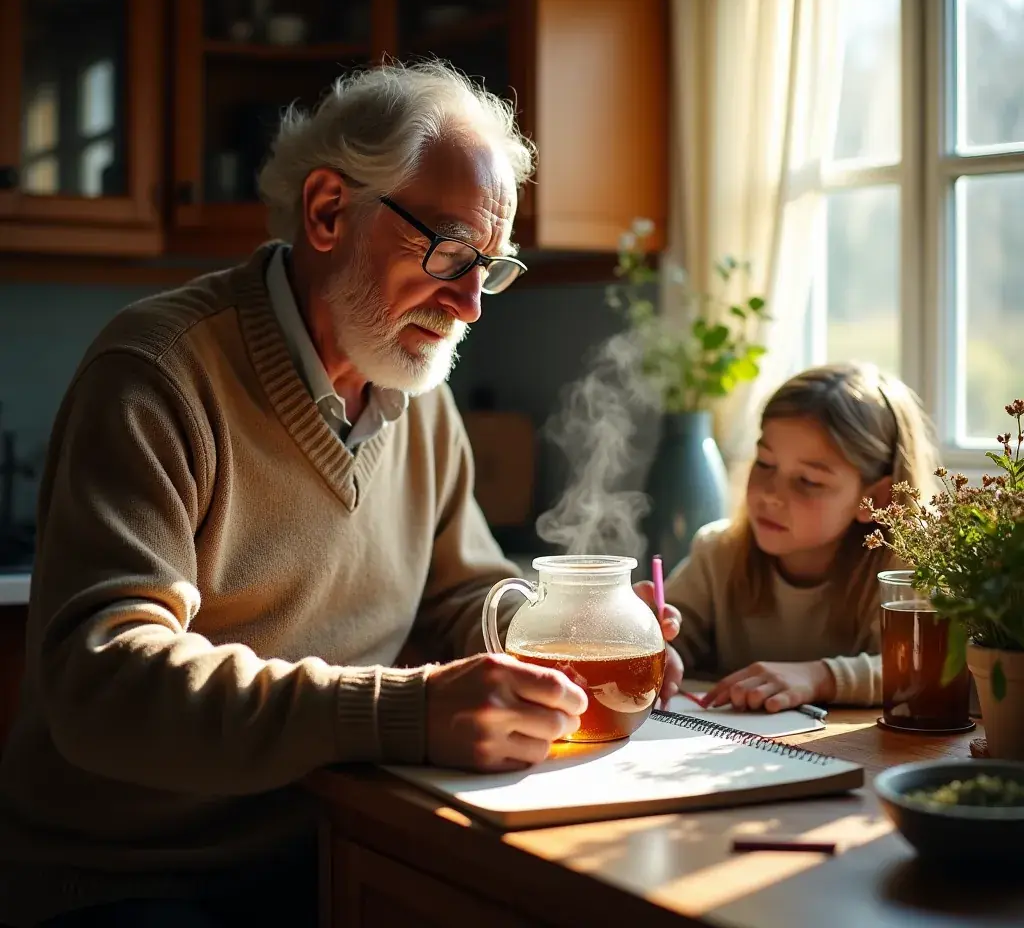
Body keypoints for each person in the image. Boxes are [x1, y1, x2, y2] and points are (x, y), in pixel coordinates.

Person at [0, 61, 681, 927]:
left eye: (492, 267)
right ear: (329, 212)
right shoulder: (160, 373)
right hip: (130, 880)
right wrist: (402, 712)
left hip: (334, 842)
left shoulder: (418, 397)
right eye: (448, 250)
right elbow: (106, 685)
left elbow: (458, 596)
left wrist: (566, 636)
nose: (472, 304)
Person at [664, 362, 938, 713]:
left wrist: (819, 677)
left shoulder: (905, 569)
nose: (770, 495)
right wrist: (649, 640)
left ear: (877, 499)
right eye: (765, 462)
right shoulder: (718, 553)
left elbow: (924, 668)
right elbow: (667, 637)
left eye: (808, 481)